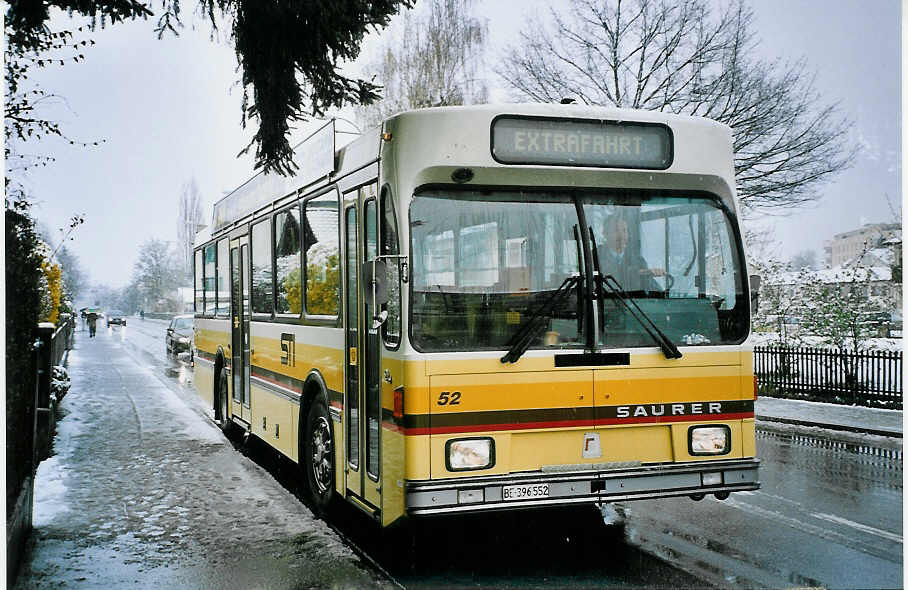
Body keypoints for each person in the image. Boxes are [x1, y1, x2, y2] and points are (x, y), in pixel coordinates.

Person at [596, 215, 664, 291]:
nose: (621, 235)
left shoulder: (638, 260)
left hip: (632, 302)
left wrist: (649, 274)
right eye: (616, 231)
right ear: (605, 234)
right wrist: (636, 273)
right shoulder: (595, 258)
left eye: (624, 230)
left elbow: (650, 286)